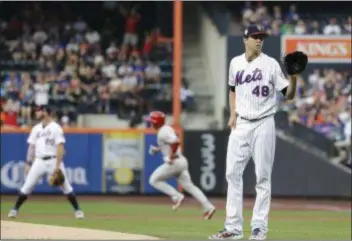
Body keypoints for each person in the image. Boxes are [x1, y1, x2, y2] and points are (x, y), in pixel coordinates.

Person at [209, 24, 297, 240]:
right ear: (245, 39)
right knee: (232, 174)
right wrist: (232, 114)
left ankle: (259, 228)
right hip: (241, 123)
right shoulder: (235, 63)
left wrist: (293, 77)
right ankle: (233, 228)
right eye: (255, 37)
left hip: (264, 123)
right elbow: (232, 90)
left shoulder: (271, 64)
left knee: (263, 178)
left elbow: (289, 95)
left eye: (262, 37)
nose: (259, 40)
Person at [7, 105, 85, 219]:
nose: (36, 113)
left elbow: (60, 147)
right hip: (39, 161)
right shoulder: (36, 128)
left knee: (66, 187)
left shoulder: (56, 128)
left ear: (45, 112)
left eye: (38, 111)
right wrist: (28, 163)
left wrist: (58, 166)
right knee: (27, 187)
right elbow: (31, 147)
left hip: (53, 160)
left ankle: (78, 211)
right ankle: (14, 210)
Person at [147, 111, 216, 220]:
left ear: (156, 122)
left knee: (153, 180)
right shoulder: (166, 129)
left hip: (174, 162)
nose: (150, 123)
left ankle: (176, 196)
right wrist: (157, 149)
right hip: (181, 161)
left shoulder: (163, 132)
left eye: (151, 121)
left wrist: (170, 156)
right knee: (190, 187)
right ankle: (209, 207)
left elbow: (176, 141)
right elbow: (169, 143)